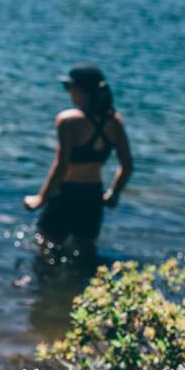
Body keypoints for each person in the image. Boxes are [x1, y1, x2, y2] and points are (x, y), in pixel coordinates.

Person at [23, 64, 133, 247]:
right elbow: (127, 165)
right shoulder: (115, 121)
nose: (68, 92)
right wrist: (114, 193)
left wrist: (41, 198)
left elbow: (61, 165)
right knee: (85, 253)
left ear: (80, 89)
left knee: (46, 249)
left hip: (66, 195)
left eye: (68, 87)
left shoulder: (68, 120)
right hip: (93, 197)